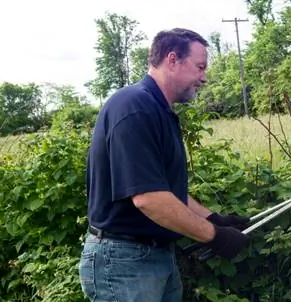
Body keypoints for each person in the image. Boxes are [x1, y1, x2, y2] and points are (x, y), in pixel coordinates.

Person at [78, 28, 250, 302]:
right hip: (125, 263)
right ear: (172, 60)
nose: (204, 77)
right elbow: (149, 199)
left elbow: (165, 189)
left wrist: (212, 219)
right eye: (200, 67)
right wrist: (214, 236)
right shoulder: (134, 107)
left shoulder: (159, 111)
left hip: (154, 256)